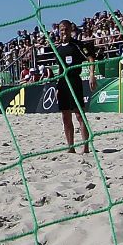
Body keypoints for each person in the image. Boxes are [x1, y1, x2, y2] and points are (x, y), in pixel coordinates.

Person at [52, 19, 96, 154]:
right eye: (61, 29)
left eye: (66, 29)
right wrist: (57, 86)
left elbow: (90, 58)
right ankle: (70, 147)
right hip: (63, 83)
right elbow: (60, 69)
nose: (64, 32)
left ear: (71, 30)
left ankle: (86, 147)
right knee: (65, 116)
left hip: (74, 81)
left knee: (79, 114)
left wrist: (92, 75)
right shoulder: (58, 49)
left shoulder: (77, 45)